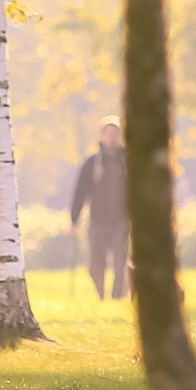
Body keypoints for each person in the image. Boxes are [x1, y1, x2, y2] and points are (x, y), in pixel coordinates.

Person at [70, 119, 130, 300]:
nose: (112, 138)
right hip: (97, 220)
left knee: (121, 263)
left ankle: (117, 297)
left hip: (122, 220)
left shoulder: (128, 162)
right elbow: (79, 192)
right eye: (108, 134)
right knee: (96, 263)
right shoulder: (91, 163)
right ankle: (101, 296)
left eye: (115, 134)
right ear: (101, 136)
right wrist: (74, 220)